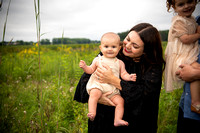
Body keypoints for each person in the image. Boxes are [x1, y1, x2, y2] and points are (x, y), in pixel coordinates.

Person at [74, 23, 165, 133]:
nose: (127, 46)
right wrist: (99, 97)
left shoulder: (152, 66)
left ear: (146, 50)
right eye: (128, 39)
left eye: (135, 46)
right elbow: (84, 84)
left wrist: (113, 80)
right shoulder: (112, 51)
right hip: (103, 123)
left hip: (134, 125)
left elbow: (146, 101)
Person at [79, 32, 136, 126]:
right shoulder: (98, 60)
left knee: (120, 101)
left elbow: (123, 74)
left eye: (113, 47)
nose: (110, 49)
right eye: (106, 46)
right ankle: (92, 112)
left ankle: (117, 119)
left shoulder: (120, 62)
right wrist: (85, 67)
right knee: (94, 94)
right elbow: (90, 70)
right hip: (98, 86)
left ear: (119, 48)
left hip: (113, 89)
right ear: (101, 48)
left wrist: (129, 77)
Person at [165, 0, 200, 113]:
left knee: (197, 71)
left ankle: (195, 101)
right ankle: (195, 102)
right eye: (181, 4)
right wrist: (199, 34)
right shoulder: (179, 21)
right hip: (182, 55)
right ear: (174, 8)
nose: (186, 6)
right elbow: (185, 39)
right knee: (195, 72)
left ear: (195, 1)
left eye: (189, 1)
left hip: (188, 53)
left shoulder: (192, 19)